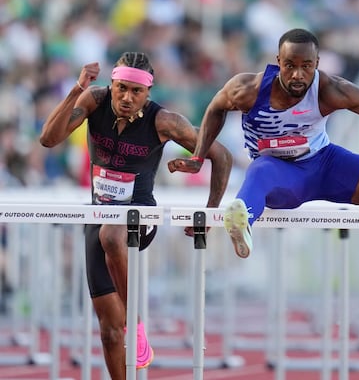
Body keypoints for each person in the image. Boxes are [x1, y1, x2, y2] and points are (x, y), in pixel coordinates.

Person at [39, 52, 232, 378]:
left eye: (136, 91)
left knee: (112, 235)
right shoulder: (94, 100)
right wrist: (76, 89)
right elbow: (48, 139)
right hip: (99, 215)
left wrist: (210, 213)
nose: (127, 97)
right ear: (111, 85)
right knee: (108, 331)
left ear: (148, 93)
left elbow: (221, 155)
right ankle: (126, 337)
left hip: (140, 215)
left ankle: (137, 324)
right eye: (121, 88)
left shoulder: (164, 121)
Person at [169, 28, 359, 259]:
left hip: (327, 164)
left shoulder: (332, 90)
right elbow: (215, 109)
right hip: (280, 174)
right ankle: (241, 220)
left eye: (306, 66)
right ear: (278, 62)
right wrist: (198, 156)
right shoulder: (247, 89)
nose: (297, 75)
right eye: (289, 66)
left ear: (317, 64)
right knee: (260, 171)